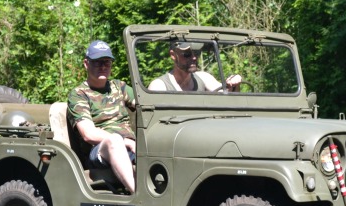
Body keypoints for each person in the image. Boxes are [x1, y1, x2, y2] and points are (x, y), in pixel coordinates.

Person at [67, 40, 137, 194]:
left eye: (107, 62)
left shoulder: (120, 87)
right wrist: (126, 141)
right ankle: (138, 195)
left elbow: (146, 107)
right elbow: (88, 134)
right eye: (97, 62)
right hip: (99, 152)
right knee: (115, 140)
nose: (103, 67)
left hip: (130, 148)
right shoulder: (79, 94)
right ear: (86, 64)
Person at [148, 40, 242, 92]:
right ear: (173, 55)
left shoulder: (203, 78)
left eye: (197, 53)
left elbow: (226, 97)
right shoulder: (160, 86)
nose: (194, 58)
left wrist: (234, 83)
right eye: (187, 54)